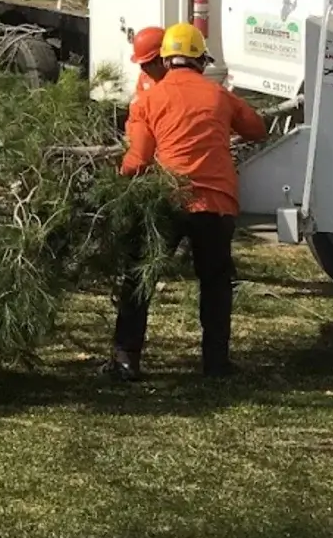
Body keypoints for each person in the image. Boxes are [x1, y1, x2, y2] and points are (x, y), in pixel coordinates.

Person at [106, 21, 267, 382]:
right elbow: (257, 129)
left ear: (165, 60)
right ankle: (215, 364)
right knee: (215, 284)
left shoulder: (149, 99)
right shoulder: (218, 95)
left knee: (140, 278)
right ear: (201, 59)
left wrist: (113, 179)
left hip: (167, 201)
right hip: (215, 204)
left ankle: (126, 359)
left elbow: (138, 161)